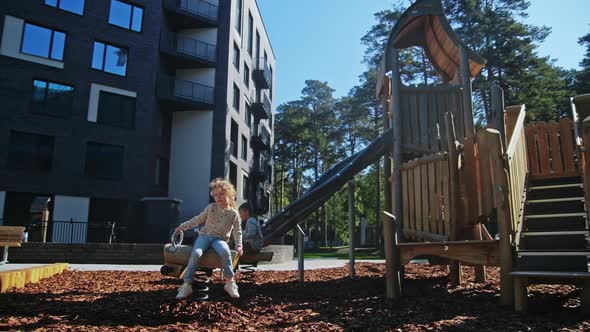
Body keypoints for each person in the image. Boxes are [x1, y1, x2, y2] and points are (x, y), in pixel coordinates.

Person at [174, 178, 243, 300]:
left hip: (220, 239)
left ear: (229, 193)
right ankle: (187, 284)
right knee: (196, 253)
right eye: (215, 195)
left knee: (225, 251)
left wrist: (239, 245)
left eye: (221, 194)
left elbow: (237, 231)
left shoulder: (234, 214)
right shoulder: (211, 208)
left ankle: (229, 282)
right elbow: (198, 219)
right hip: (205, 236)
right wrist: (182, 227)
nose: (218, 197)